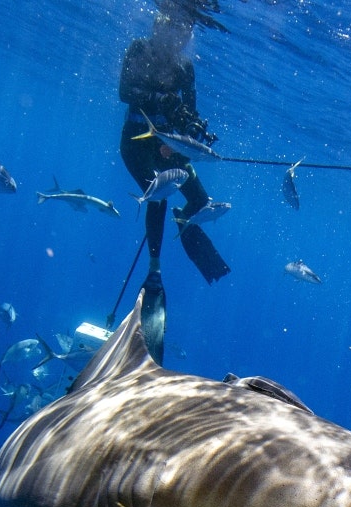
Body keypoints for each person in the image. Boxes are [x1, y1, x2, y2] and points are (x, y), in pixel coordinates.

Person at [120, 7, 231, 293]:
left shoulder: (185, 68)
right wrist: (160, 98)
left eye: (187, 35)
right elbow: (124, 92)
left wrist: (192, 133)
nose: (181, 41)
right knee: (158, 197)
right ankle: (154, 270)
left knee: (202, 201)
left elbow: (190, 111)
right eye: (178, 33)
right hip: (135, 143)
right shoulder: (139, 50)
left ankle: (185, 220)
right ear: (160, 29)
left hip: (167, 145)